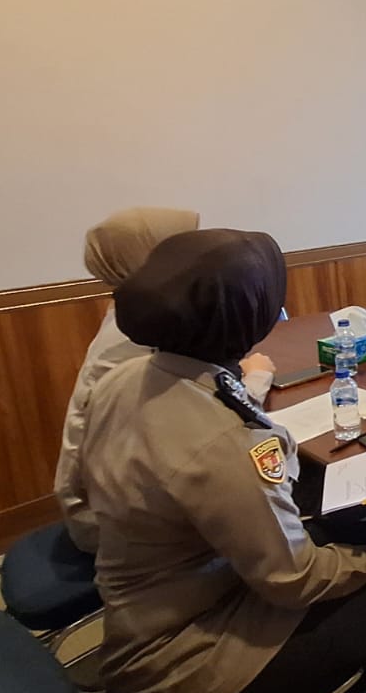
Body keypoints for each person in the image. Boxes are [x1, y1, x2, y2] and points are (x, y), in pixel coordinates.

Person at [82, 228, 366, 693]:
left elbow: (212, 410)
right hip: (183, 661)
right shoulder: (225, 444)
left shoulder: (129, 377)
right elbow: (293, 579)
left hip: (160, 605)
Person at [52, 206, 277, 554]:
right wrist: (257, 379)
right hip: (112, 522)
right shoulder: (141, 334)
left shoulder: (132, 316)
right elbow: (206, 418)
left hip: (122, 493)